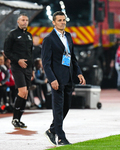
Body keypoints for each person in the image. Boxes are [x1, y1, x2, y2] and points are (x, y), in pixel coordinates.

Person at [41, 11, 86, 146]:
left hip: (68, 78)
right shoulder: (48, 39)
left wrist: (78, 73)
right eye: (59, 20)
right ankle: (61, 137)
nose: (62, 22)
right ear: (54, 22)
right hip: (57, 79)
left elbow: (73, 58)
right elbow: (46, 63)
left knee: (66, 106)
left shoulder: (68, 36)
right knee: (58, 108)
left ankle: (52, 130)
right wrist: (52, 79)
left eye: (64, 20)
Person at [4, 13, 33, 128]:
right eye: (22, 20)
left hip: (28, 68)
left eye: (26, 20)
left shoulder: (29, 35)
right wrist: (18, 60)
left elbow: (31, 53)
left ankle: (18, 119)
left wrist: (33, 69)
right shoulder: (12, 35)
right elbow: (6, 51)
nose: (25, 22)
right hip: (17, 67)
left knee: (25, 95)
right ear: (18, 22)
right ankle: (15, 119)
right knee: (22, 92)